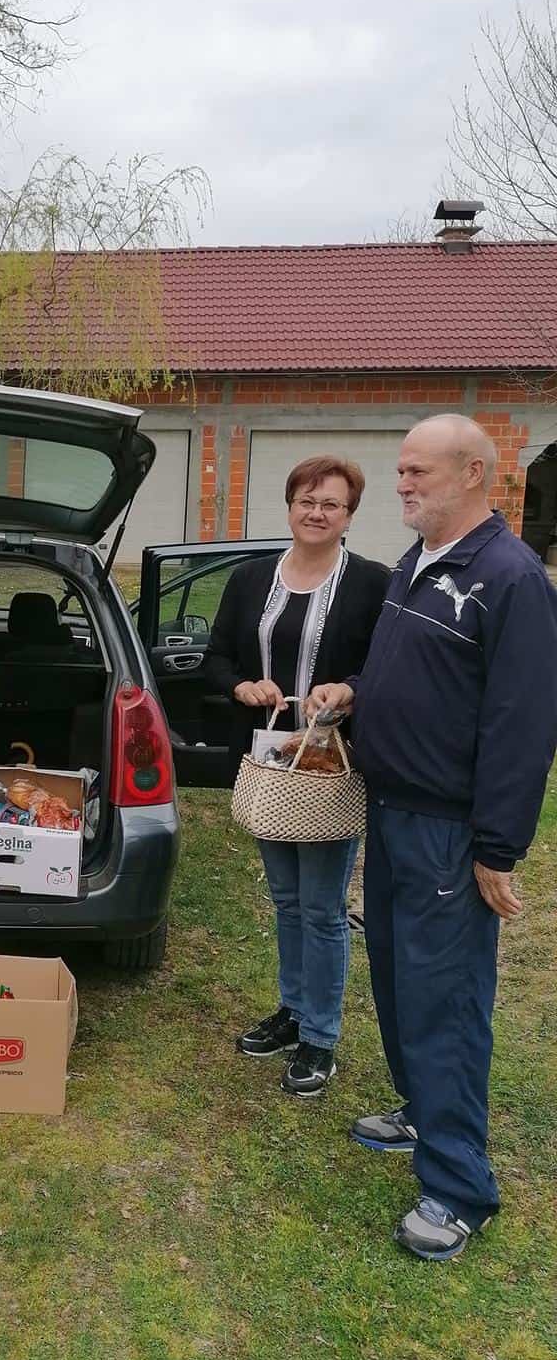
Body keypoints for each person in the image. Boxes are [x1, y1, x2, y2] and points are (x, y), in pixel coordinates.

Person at [310, 414, 557, 1260]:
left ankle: (458, 1190)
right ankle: (422, 1111)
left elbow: (523, 724)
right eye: (403, 470)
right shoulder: (418, 562)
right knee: (397, 976)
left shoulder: (510, 578)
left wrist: (497, 847)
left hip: (450, 831)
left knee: (444, 1000)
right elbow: (403, 671)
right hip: (391, 812)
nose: (403, 483)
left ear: (475, 474)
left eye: (419, 471)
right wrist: (353, 691)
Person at [204, 455, 389, 1098]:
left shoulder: (372, 583)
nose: (316, 513)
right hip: (268, 760)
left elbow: (387, 667)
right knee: (286, 899)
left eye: (330, 504)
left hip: (329, 763)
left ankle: (321, 1038)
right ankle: (292, 1010)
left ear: (349, 516)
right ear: (289, 507)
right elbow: (216, 657)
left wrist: (348, 688)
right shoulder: (251, 577)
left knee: (323, 908)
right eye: (306, 501)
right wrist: (241, 685)